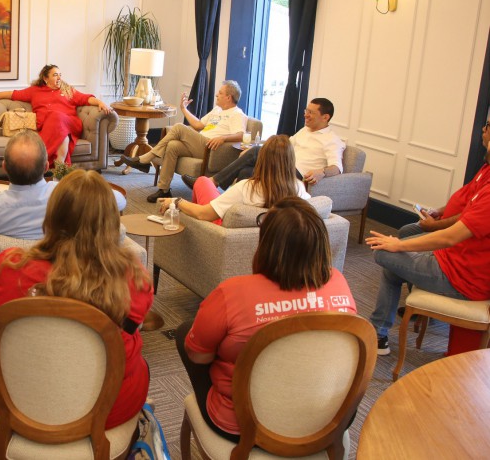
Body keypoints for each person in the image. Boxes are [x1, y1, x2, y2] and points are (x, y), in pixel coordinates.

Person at [0, 169, 154, 429]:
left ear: (52, 216)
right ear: (111, 222)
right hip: (107, 410)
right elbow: (136, 323)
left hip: (20, 403)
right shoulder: (136, 277)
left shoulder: (7, 268)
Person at [175, 197, 357, 440]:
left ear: (267, 244)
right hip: (326, 419)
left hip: (244, 427)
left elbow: (199, 355)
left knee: (186, 335)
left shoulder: (232, 293)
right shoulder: (340, 282)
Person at [366, 122, 490, 356]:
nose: (483, 130)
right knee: (391, 265)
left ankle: (378, 332)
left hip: (460, 277)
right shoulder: (486, 170)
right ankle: (378, 334)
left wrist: (399, 245)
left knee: (383, 252)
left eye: (488, 127)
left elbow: (451, 236)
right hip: (450, 260)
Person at [0, 130, 125, 251]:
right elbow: (119, 200)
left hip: (3, 288)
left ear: (4, 167)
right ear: (47, 166)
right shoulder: (66, 195)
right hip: (60, 283)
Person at [118, 81, 249, 202]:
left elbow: (241, 135)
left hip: (211, 148)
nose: (216, 95)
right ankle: (164, 190)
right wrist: (184, 109)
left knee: (179, 127)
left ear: (229, 97)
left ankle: (146, 159)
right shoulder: (217, 110)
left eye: (220, 93)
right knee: (172, 145)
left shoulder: (237, 114)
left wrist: (223, 138)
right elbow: (198, 125)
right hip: (200, 144)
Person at [182, 98, 345, 192]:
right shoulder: (305, 130)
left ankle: (213, 182)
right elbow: (285, 144)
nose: (306, 115)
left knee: (255, 152)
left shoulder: (332, 140)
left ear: (325, 117)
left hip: (295, 174)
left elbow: (336, 167)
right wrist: (261, 144)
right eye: (306, 111)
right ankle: (232, 207)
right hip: (284, 166)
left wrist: (321, 172)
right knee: (247, 170)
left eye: (311, 112)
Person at [157, 135, 309, 225]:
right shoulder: (299, 189)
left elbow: (204, 214)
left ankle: (196, 230)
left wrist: (176, 201)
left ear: (262, 159)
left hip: (221, 227)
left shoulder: (247, 187)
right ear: (291, 161)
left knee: (203, 181)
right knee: (243, 171)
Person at [0, 64, 112, 165]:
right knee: (62, 134)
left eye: (60, 74)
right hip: (51, 128)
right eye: (55, 75)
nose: (59, 77)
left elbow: (86, 98)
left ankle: (38, 161)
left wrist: (100, 102)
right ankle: (60, 167)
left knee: (56, 116)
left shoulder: (68, 91)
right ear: (45, 78)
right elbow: (13, 94)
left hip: (70, 123)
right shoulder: (35, 91)